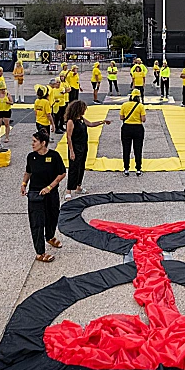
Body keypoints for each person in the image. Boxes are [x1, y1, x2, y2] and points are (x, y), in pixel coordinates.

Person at [21, 129, 67, 263]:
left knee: (53, 217)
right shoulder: (31, 156)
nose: (32, 144)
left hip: (51, 193)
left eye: (35, 141)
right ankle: (40, 253)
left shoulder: (54, 156)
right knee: (37, 223)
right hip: (36, 195)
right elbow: (28, 171)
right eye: (32, 141)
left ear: (43, 143)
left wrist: (49, 187)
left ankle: (50, 237)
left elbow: (61, 173)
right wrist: (24, 184)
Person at [65, 100, 110, 199]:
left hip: (83, 145)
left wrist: (102, 122)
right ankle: (68, 190)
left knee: (81, 166)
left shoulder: (81, 119)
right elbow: (68, 137)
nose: (85, 111)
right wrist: (71, 151)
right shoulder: (71, 121)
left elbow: (91, 124)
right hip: (75, 147)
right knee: (73, 168)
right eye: (84, 109)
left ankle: (78, 186)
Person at [120, 89, 147, 176]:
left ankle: (126, 169)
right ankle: (138, 169)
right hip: (138, 128)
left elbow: (121, 117)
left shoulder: (124, 105)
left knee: (126, 149)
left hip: (126, 128)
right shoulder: (140, 106)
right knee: (138, 149)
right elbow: (143, 120)